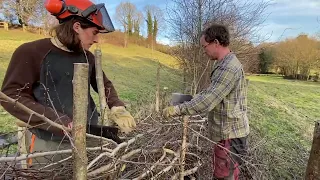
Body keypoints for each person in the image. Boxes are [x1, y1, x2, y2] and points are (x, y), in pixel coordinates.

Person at [0, 0, 136, 167]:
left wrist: (117, 107)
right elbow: (11, 95)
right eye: (94, 32)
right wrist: (55, 119)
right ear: (77, 27)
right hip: (50, 144)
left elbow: (104, 84)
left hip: (89, 138)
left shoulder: (88, 57)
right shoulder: (31, 52)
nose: (97, 39)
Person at [163, 24, 249, 180]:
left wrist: (177, 110)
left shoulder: (228, 68)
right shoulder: (223, 64)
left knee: (223, 177)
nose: (204, 51)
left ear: (216, 42)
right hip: (228, 134)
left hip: (230, 136)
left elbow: (208, 100)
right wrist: (189, 99)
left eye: (205, 46)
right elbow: (211, 93)